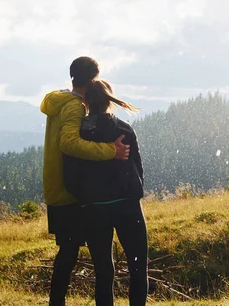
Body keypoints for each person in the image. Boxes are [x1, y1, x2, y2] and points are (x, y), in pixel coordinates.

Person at [41, 57, 130, 306]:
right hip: (68, 189)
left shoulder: (59, 102)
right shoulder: (74, 106)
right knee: (72, 251)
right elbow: (68, 143)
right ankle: (57, 302)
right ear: (91, 79)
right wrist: (109, 151)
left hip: (57, 184)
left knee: (68, 250)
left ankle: (56, 301)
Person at [63, 79, 148, 306]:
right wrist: (134, 192)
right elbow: (138, 167)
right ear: (109, 99)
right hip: (128, 207)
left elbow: (69, 174)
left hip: (94, 209)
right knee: (138, 267)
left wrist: (84, 198)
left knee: (103, 271)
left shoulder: (79, 134)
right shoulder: (124, 129)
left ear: (86, 101)